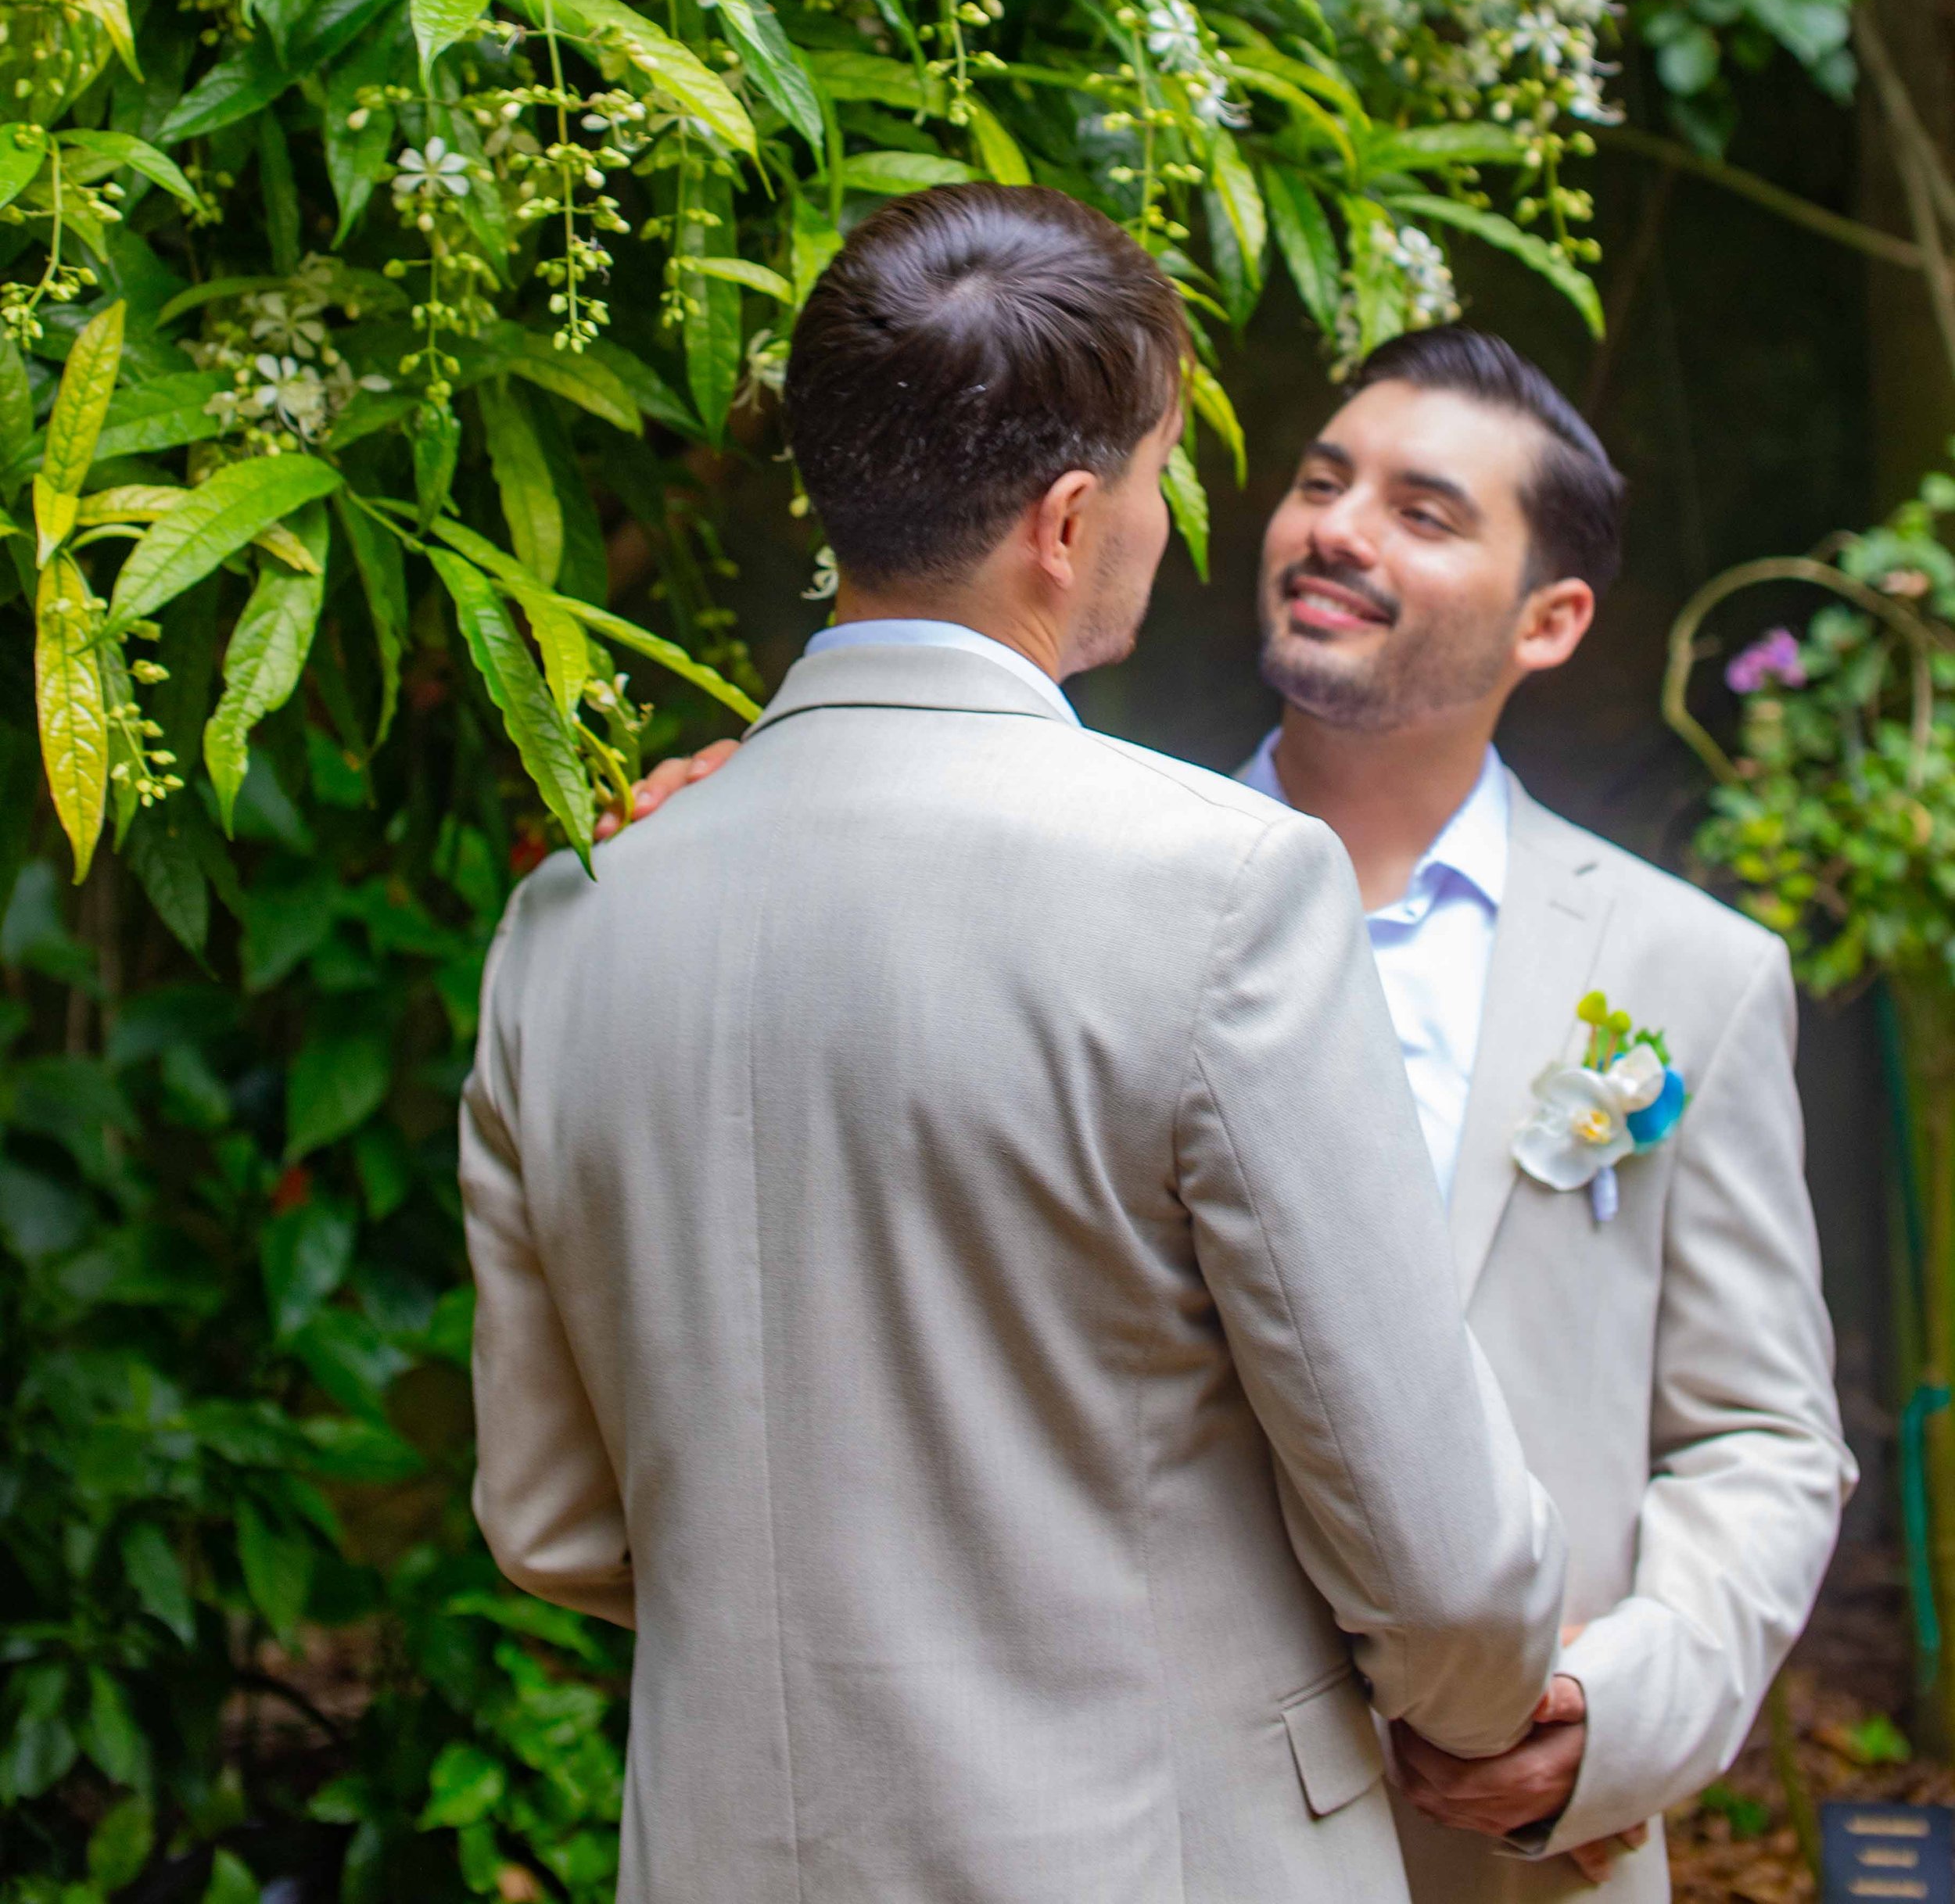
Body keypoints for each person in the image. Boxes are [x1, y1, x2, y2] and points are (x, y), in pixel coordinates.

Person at [631, 317, 1853, 1900]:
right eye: (1320, 481)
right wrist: (734, 838)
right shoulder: (1074, 884)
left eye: (1421, 511)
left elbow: (1760, 1436)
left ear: (1550, 619)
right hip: (1136, 1823)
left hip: (1522, 1854)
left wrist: (1608, 1712)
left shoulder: (1690, 973)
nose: (1333, 528)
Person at [462, 186, 1567, 1904]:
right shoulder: (1220, 887)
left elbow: (547, 1519)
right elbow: (1427, 1555)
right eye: (1147, 478)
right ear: (1065, 520)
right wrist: (1486, 1703)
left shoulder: (570, 928)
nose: (1157, 517)